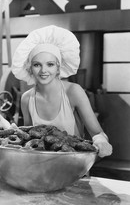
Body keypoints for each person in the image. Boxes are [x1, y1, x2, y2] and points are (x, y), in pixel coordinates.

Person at [11, 25, 112, 158]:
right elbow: (30, 139)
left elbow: (97, 133)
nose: (43, 71)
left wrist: (101, 141)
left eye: (50, 64)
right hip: (40, 168)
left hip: (73, 168)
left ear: (59, 68)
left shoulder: (73, 92)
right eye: (37, 65)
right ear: (30, 68)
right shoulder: (26, 98)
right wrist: (15, 133)